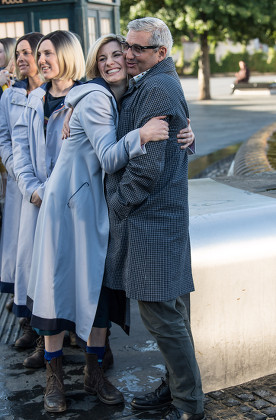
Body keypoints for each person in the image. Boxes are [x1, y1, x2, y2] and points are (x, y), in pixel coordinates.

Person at [26, 33, 169, 413]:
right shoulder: (97, 98)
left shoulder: (120, 96)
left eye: (117, 54)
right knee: (58, 288)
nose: (110, 62)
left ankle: (93, 373)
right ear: (94, 63)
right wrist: (142, 134)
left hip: (91, 207)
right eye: (102, 57)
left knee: (96, 290)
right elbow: (107, 157)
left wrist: (182, 133)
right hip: (68, 209)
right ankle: (53, 381)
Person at [103, 18, 206, 420]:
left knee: (163, 318)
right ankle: (176, 389)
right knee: (173, 314)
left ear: (160, 53)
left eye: (137, 49)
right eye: (126, 46)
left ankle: (188, 404)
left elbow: (148, 168)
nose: (128, 54)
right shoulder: (155, 81)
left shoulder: (158, 87)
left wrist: (117, 202)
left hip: (153, 222)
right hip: (162, 218)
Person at [11, 30, 85, 369]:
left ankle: (93, 349)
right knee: (41, 277)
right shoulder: (33, 99)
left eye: (48, 53)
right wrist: (32, 189)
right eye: (39, 53)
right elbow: (20, 149)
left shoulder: (88, 96)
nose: (41, 60)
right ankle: (47, 349)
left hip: (72, 203)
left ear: (67, 55)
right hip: (38, 203)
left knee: (77, 273)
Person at [0, 32, 44, 333]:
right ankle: (28, 320)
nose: (21, 58)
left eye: (27, 52)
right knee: (24, 252)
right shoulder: (10, 94)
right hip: (20, 186)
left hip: (51, 188)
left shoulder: (64, 94)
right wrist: (18, 170)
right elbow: (4, 139)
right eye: (18, 53)